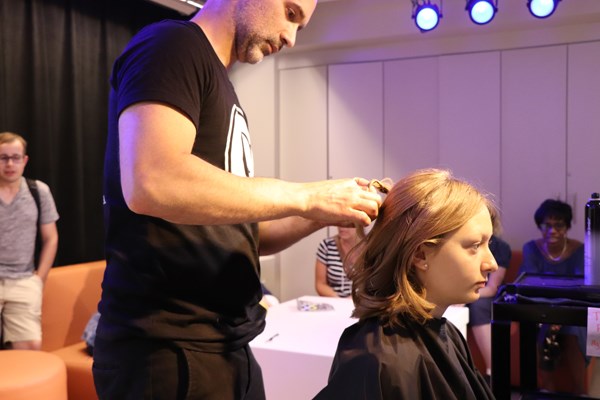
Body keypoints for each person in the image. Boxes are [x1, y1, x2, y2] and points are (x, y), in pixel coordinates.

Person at [93, 1, 383, 399]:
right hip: (167, 351)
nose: (291, 37)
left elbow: (246, 234)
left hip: (226, 345)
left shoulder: (219, 79)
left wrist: (327, 211)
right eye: (291, 13)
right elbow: (152, 180)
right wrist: (307, 194)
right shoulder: (172, 45)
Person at [314, 168, 497, 400]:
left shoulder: (449, 334)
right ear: (420, 255)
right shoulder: (377, 360)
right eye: (474, 246)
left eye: (488, 243)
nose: (491, 263)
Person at [518, 198, 587, 394]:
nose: (552, 230)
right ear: (540, 226)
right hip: (541, 307)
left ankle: (580, 391)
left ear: (566, 227)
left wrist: (560, 314)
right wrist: (552, 314)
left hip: (570, 306)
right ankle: (546, 390)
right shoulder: (531, 248)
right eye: (547, 225)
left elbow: (579, 287)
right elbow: (529, 286)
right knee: (540, 325)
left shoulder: (579, 249)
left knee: (574, 329)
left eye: (558, 225)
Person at [0, 132, 59, 350]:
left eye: (15, 157)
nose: (9, 164)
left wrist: (39, 279)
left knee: (30, 349)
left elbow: (51, 238)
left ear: (24, 160)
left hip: (24, 280)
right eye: (3, 157)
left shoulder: (38, 191)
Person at [466, 232, 511, 382]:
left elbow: (492, 288)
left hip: (486, 295)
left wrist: (463, 296)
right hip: (463, 292)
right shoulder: (462, 242)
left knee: (478, 306)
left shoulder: (500, 247)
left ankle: (493, 373)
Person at [315, 226, 365, 297]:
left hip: (362, 303)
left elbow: (376, 285)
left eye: (347, 223)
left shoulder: (371, 247)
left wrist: (355, 298)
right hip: (335, 302)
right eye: (339, 223)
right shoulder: (327, 245)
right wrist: (338, 299)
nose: (342, 228)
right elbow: (320, 284)